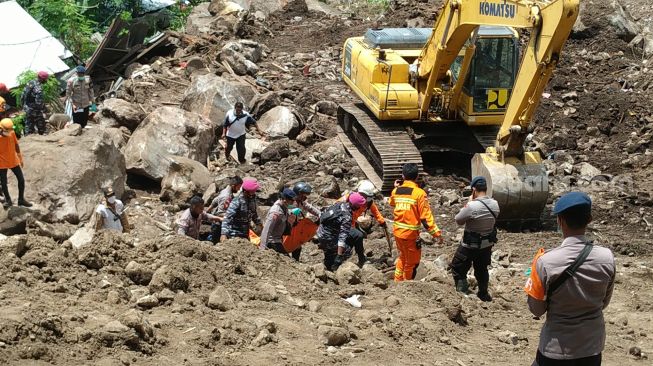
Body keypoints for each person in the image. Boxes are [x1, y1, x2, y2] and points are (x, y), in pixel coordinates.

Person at [524, 192, 615, 366]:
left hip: (555, 349)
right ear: (589, 219)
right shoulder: (607, 257)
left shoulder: (545, 261)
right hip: (591, 348)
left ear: (560, 220)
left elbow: (536, 310)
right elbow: (604, 303)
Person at [389, 163, 442, 282]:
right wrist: (436, 233)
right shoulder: (419, 193)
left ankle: (397, 281)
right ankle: (406, 285)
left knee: (402, 257)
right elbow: (425, 217)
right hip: (410, 235)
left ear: (403, 176)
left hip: (397, 232)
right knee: (411, 262)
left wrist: (396, 188)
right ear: (417, 176)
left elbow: (392, 203)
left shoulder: (396, 191)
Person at [449, 176, 500, 301]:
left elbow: (458, 220)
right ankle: (483, 293)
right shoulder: (495, 204)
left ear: (473, 189)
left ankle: (463, 295)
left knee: (457, 267)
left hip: (470, 245)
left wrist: (469, 203)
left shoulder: (472, 206)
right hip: (487, 245)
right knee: (482, 269)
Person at [337, 180, 386, 266]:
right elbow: (336, 206)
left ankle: (360, 258)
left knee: (356, 237)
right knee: (357, 236)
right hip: (342, 223)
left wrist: (381, 221)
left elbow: (375, 211)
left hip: (351, 223)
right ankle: (345, 256)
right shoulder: (349, 198)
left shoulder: (369, 202)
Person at [316, 192, 367, 271]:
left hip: (321, 231)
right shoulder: (347, 217)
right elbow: (342, 237)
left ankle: (361, 259)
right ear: (356, 207)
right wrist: (339, 256)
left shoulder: (339, 204)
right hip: (328, 237)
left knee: (358, 235)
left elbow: (323, 214)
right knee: (348, 251)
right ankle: (332, 265)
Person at [0, 119, 31, 208]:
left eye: (10, 130)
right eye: (7, 130)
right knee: (3, 182)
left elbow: (16, 145)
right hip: (2, 162)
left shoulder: (12, 133)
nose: (9, 132)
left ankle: (21, 199)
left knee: (21, 180)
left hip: (13, 160)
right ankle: (8, 200)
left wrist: (20, 157)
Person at [207, 175, 243, 243]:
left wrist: (208, 209)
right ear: (233, 186)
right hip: (219, 225)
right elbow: (220, 213)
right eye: (238, 187)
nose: (239, 189)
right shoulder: (226, 196)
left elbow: (215, 200)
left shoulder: (226, 191)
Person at [260, 188, 297, 253]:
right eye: (291, 201)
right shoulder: (276, 212)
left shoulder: (284, 207)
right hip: (272, 242)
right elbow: (267, 229)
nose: (292, 202)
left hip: (278, 240)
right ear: (285, 199)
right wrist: (262, 249)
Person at [21, 71, 49, 135]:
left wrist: (24, 106)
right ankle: (42, 137)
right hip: (34, 108)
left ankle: (27, 138)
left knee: (28, 125)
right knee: (41, 124)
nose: (46, 80)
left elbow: (22, 95)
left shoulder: (30, 82)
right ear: (42, 79)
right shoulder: (38, 88)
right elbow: (39, 102)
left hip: (27, 107)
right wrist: (44, 109)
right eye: (46, 79)